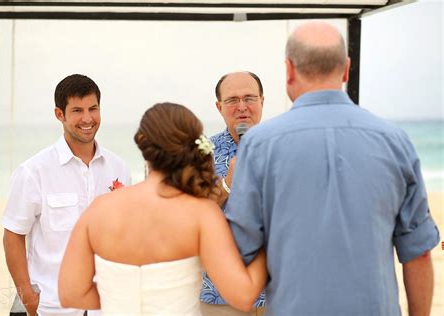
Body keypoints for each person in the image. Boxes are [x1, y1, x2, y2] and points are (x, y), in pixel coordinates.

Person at [225, 21, 440, 315]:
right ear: (347, 69)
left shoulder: (259, 145)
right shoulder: (394, 141)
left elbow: (241, 248)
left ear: (288, 70)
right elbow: (419, 252)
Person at [58, 102, 267, 315]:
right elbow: (243, 296)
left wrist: (119, 299)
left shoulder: (99, 210)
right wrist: (267, 241)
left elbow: (71, 293)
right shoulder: (201, 214)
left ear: (143, 144)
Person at [2, 74, 130, 316]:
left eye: (93, 108)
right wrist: (26, 294)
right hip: (53, 307)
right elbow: (13, 235)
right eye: (77, 110)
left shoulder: (119, 168)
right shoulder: (33, 172)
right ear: (59, 114)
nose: (87, 118)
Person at [201, 71, 266, 315]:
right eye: (232, 100)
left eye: (249, 98)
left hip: (279, 291)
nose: (242, 107)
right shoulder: (201, 153)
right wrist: (227, 183)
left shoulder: (282, 147)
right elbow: (191, 217)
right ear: (219, 106)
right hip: (221, 293)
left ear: (262, 101)